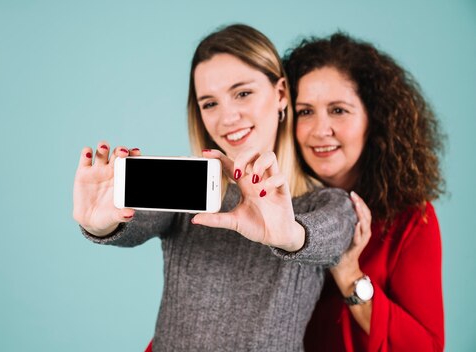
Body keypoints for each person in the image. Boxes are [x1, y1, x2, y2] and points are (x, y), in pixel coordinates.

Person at [73, 24, 356, 351]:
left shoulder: (325, 202)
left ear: (280, 94)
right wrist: (104, 222)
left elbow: (334, 235)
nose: (227, 118)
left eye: (243, 93)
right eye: (210, 103)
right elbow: (138, 219)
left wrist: (289, 233)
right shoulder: (193, 193)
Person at [284, 33, 445, 351]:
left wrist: (348, 274)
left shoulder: (412, 219)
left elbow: (425, 347)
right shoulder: (274, 211)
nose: (320, 130)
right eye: (305, 112)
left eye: (338, 110)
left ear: (375, 119)